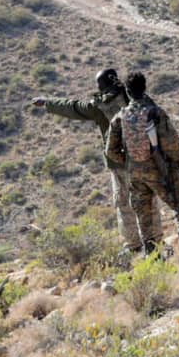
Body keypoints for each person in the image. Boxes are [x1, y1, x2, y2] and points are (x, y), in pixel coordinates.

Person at [30, 67, 143, 253]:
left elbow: (73, 107)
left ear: (103, 86)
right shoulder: (133, 97)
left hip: (118, 161)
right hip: (141, 157)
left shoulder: (99, 106)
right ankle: (153, 240)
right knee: (145, 199)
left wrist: (47, 103)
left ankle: (134, 245)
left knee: (123, 203)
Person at [103, 72, 179, 253]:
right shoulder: (155, 112)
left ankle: (151, 254)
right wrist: (176, 161)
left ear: (128, 93)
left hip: (135, 172)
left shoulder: (120, 117)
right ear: (144, 88)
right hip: (159, 168)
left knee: (143, 213)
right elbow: (171, 143)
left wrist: (128, 161)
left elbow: (110, 151)